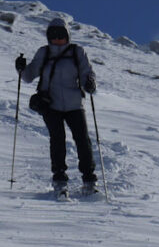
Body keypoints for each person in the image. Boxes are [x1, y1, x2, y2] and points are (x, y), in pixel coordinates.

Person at [16, 17, 98, 195]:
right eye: (53, 35)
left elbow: (87, 73)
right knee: (58, 140)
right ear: (48, 37)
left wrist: (89, 83)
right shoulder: (43, 53)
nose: (57, 39)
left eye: (61, 35)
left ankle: (89, 180)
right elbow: (29, 76)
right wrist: (21, 68)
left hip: (75, 104)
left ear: (68, 35)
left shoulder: (78, 52)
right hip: (50, 104)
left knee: (83, 140)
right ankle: (60, 180)